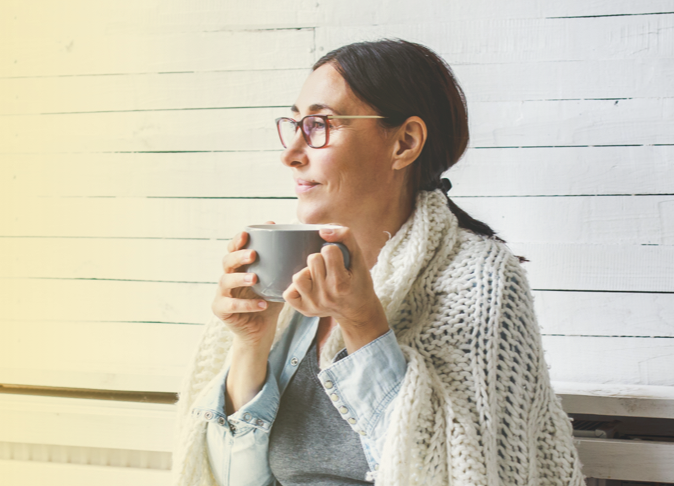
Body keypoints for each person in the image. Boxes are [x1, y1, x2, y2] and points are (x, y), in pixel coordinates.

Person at [170, 39, 586, 486]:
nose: (290, 153)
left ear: (404, 143)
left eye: (318, 124)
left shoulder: (480, 280)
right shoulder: (288, 282)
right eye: (293, 124)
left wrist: (363, 324)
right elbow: (227, 479)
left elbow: (470, 472)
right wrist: (251, 343)